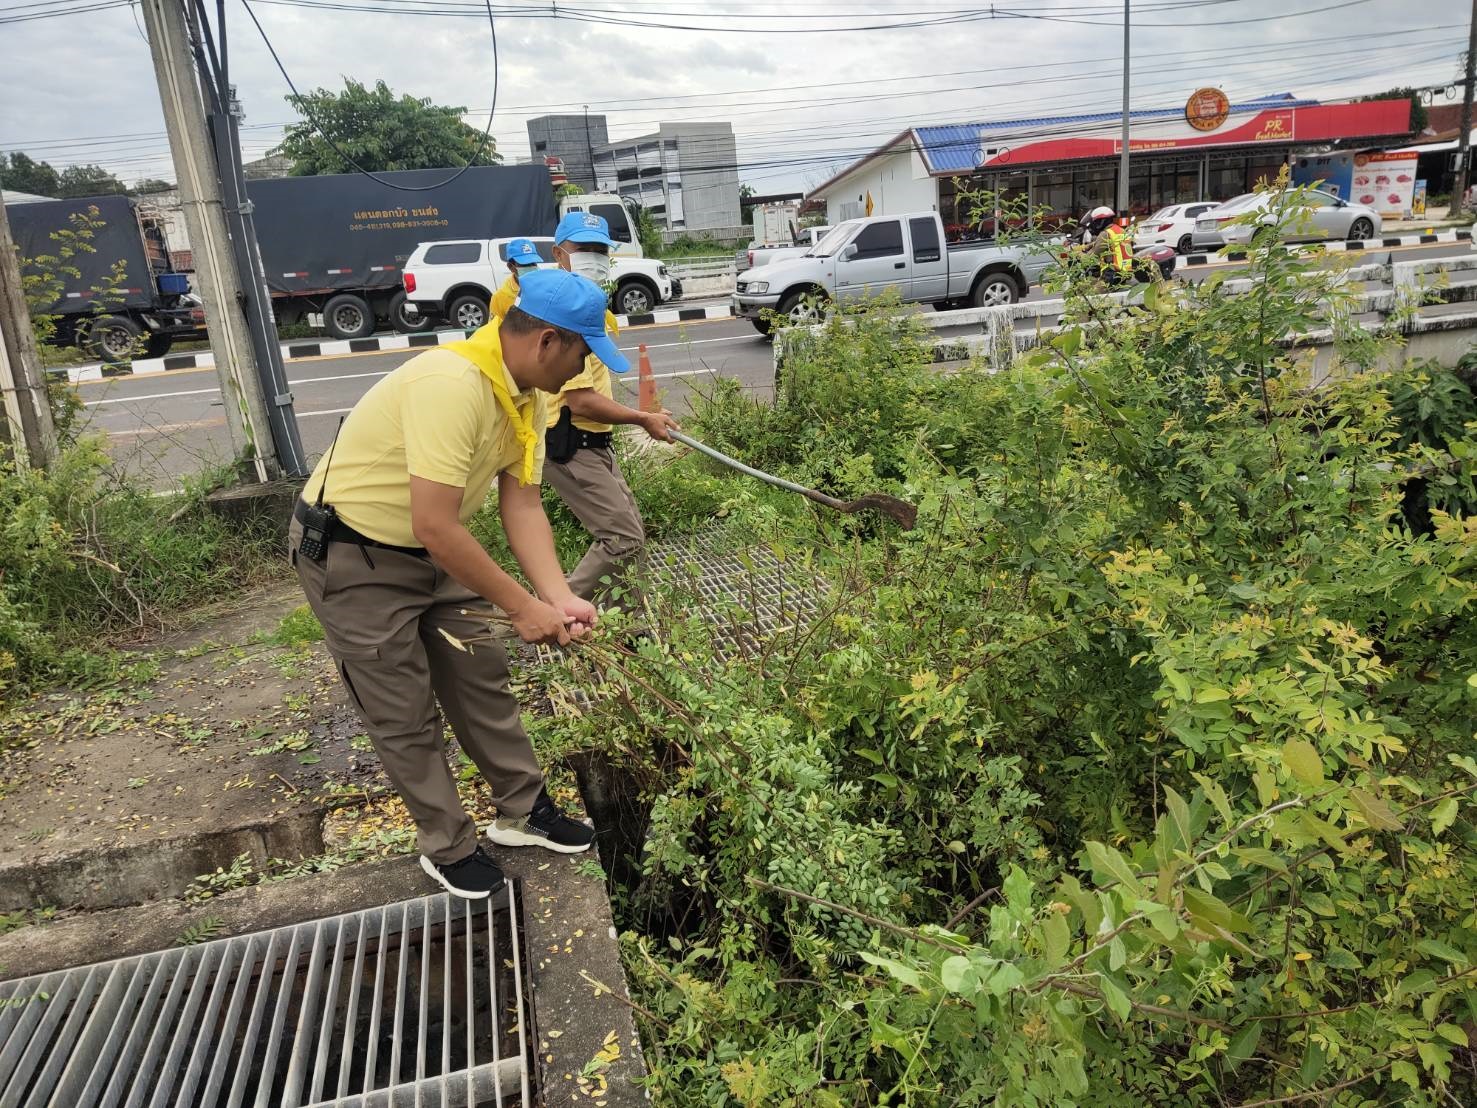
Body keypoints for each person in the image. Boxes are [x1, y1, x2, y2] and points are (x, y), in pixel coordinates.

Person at [289, 268, 629, 901]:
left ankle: (522, 811)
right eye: (584, 354)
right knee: (402, 708)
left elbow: (523, 504)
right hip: (353, 553)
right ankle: (447, 845)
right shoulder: (451, 385)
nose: (584, 369)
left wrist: (556, 596)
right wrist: (521, 606)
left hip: (432, 549)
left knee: (480, 674)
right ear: (547, 342)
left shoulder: (527, 394)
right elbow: (436, 523)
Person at [541, 211, 679, 608]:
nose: (594, 257)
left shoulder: (587, 303)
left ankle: (630, 623)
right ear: (558, 254)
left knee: (632, 532)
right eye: (583, 248)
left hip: (595, 442)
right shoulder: (563, 310)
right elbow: (579, 399)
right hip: (571, 443)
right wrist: (643, 418)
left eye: (600, 250)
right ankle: (553, 613)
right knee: (623, 539)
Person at [489, 237, 545, 321]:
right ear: (510, 267)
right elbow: (494, 326)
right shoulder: (500, 298)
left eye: (533, 263)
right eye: (524, 264)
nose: (531, 267)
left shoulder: (546, 287)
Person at [1079, 205, 1132, 284]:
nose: (1093, 226)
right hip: (1124, 273)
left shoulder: (1105, 234)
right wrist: (1087, 246)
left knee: (1087, 289)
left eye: (1095, 222)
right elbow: (1108, 242)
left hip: (1112, 275)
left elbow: (1092, 256)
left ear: (1101, 222)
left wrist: (1079, 255)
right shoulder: (1120, 230)